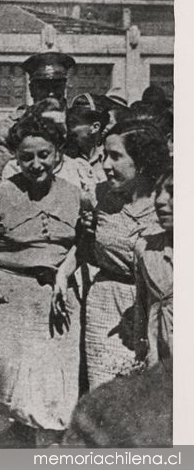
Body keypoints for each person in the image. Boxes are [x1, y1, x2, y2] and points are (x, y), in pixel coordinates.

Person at [0, 115, 81, 447]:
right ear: (15, 157)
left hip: (60, 301)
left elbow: (82, 244)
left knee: (57, 386)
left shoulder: (75, 195)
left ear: (58, 154)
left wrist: (64, 274)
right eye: (26, 156)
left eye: (44, 154)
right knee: (10, 384)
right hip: (11, 299)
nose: (36, 164)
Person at [64, 120, 170, 391]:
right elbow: (88, 252)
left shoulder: (168, 202)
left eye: (116, 157)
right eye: (105, 156)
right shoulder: (101, 196)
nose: (106, 166)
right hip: (106, 306)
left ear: (142, 160)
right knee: (107, 395)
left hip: (156, 309)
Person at [0, 52, 76, 191]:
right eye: (43, 86)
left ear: (64, 87)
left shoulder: (77, 123)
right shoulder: (11, 126)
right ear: (32, 89)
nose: (50, 93)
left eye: (56, 86)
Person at [133, 167, 173, 367]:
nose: (160, 200)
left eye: (173, 193)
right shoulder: (147, 248)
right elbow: (142, 306)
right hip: (160, 361)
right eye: (158, 192)